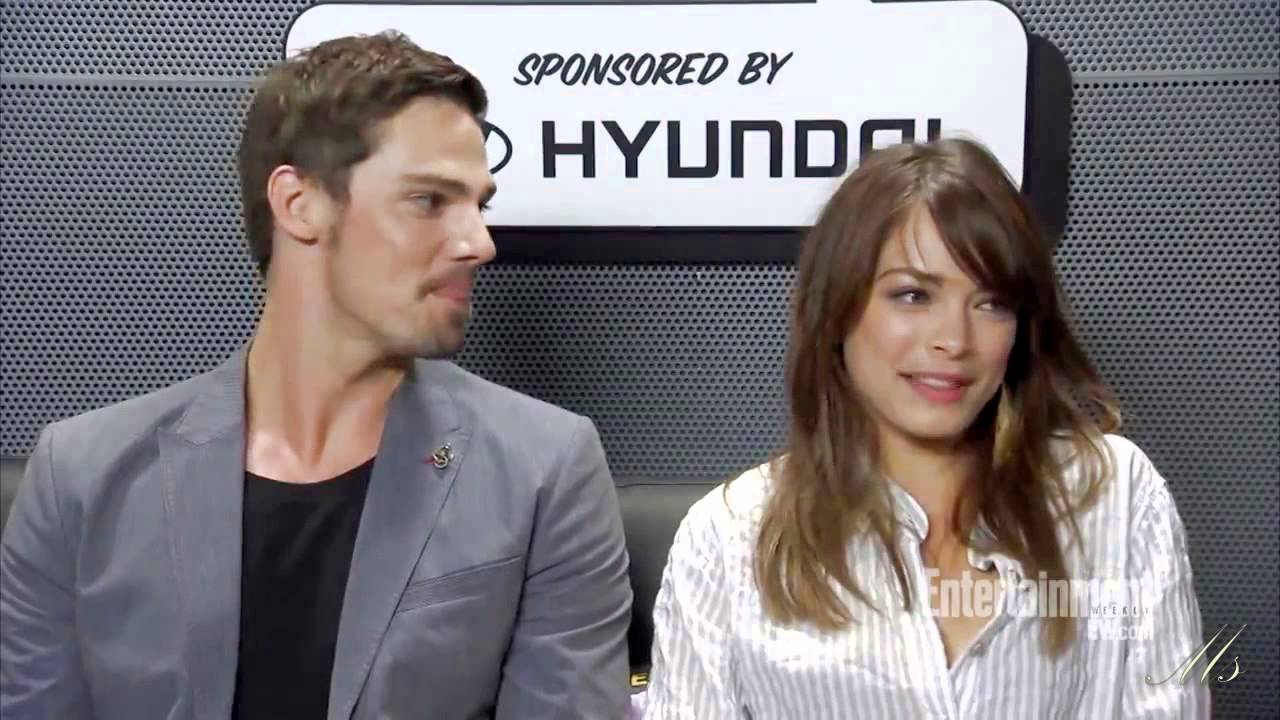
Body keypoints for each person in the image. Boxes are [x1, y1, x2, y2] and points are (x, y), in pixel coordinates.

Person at [0, 31, 633, 719]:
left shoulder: (545, 470)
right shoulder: (80, 479)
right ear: (300, 204)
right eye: (429, 200)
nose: (478, 243)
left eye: (479, 206)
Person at [642, 137, 1210, 718]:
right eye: (913, 295)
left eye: (992, 303)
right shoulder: (727, 539)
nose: (954, 341)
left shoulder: (1116, 494)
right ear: (835, 309)